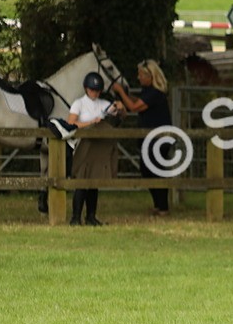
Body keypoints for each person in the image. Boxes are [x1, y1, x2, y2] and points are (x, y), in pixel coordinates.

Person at [111, 59, 172, 216]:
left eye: (140, 75)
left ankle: (163, 207)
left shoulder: (155, 93)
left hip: (158, 139)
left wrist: (120, 91)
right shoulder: (148, 92)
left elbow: (134, 107)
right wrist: (125, 95)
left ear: (149, 76)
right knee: (147, 170)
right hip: (150, 139)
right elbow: (136, 102)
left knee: (155, 170)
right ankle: (159, 205)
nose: (138, 78)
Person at [66, 72, 121, 226]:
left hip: (98, 147)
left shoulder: (104, 104)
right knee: (82, 180)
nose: (95, 93)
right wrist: (91, 123)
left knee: (94, 181)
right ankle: (75, 217)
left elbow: (117, 114)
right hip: (84, 144)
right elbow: (71, 123)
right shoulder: (79, 103)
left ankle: (91, 216)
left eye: (97, 90)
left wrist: (119, 107)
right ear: (86, 89)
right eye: (92, 90)